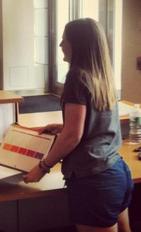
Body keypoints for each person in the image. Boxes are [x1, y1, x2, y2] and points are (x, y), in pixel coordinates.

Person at [23, 18, 134, 232]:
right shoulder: (103, 73)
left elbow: (73, 136)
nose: (60, 45)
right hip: (117, 171)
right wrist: (62, 127)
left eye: (64, 40)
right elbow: (97, 121)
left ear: (78, 44)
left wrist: (42, 167)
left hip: (93, 178)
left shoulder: (76, 76)